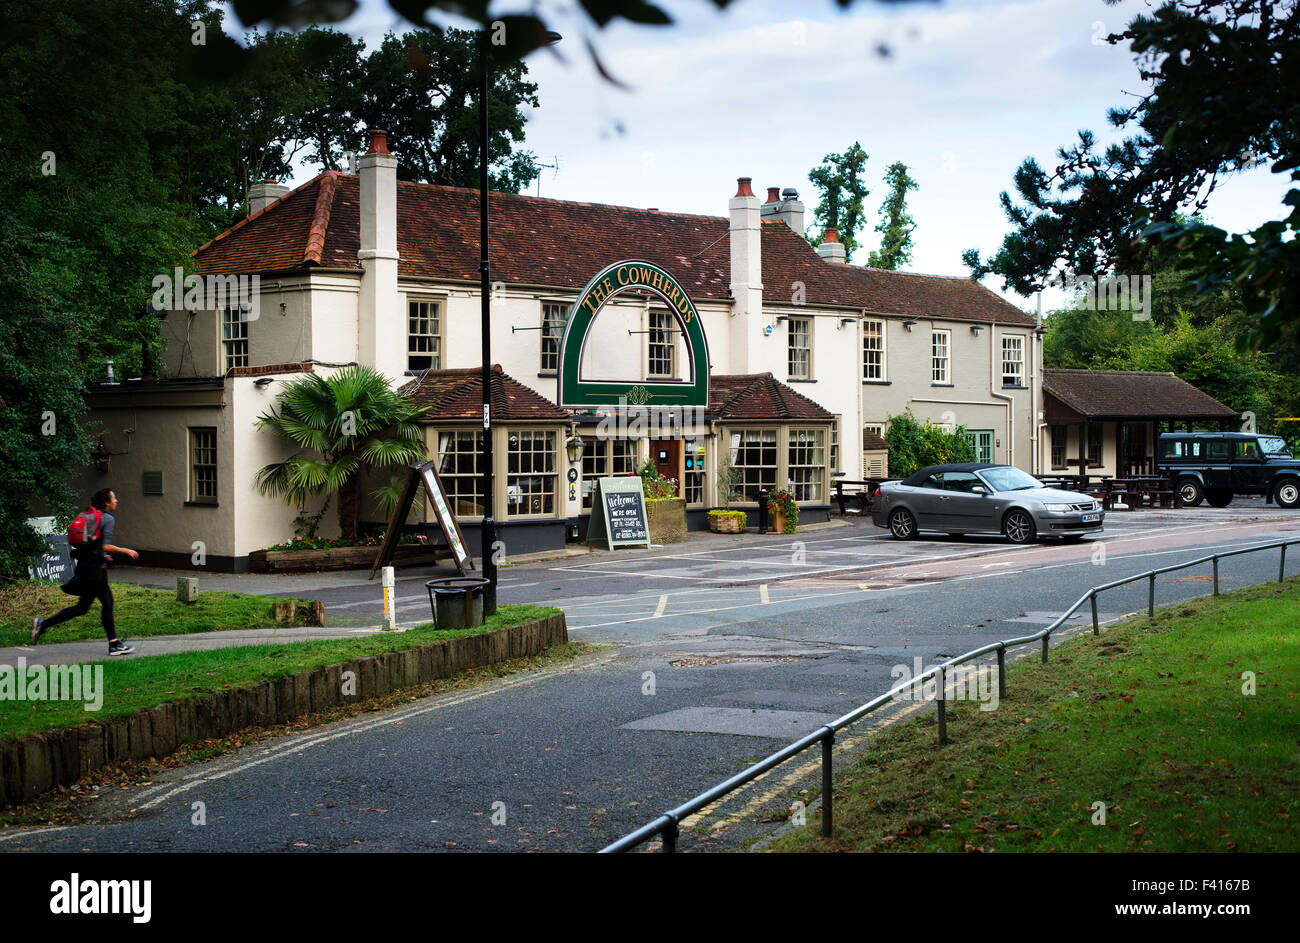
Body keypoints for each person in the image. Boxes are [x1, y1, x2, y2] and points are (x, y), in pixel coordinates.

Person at [32, 488, 139, 655]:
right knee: (106, 603)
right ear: (107, 502)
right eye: (114, 498)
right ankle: (114, 644)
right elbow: (104, 545)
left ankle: (43, 624)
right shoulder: (107, 518)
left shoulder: (91, 516)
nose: (116, 501)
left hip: (88, 566)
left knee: (84, 607)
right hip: (95, 571)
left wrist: (103, 557)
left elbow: (90, 544)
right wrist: (126, 550)